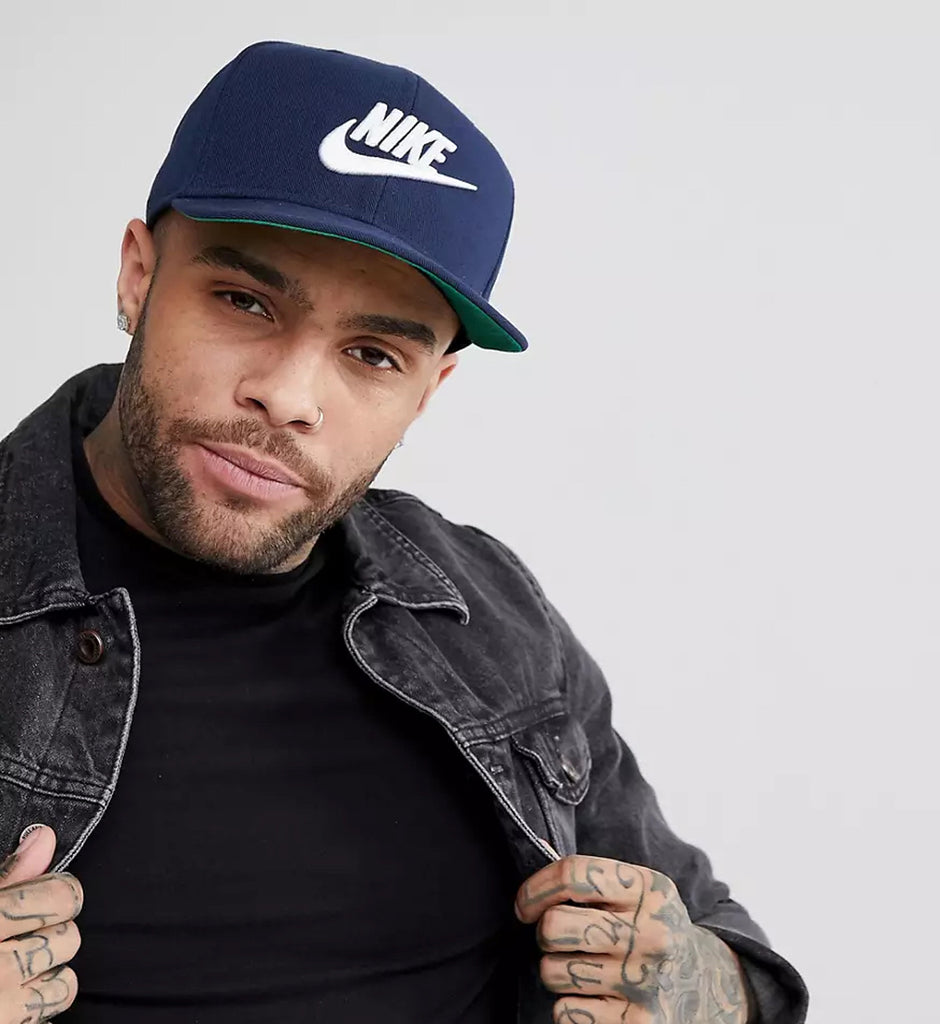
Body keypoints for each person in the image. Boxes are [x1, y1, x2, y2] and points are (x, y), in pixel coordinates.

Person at [0, 41, 809, 1024]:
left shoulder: (483, 610)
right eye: (244, 301)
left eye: (373, 354)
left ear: (429, 389)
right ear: (138, 276)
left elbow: (718, 952)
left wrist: (695, 984)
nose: (290, 396)